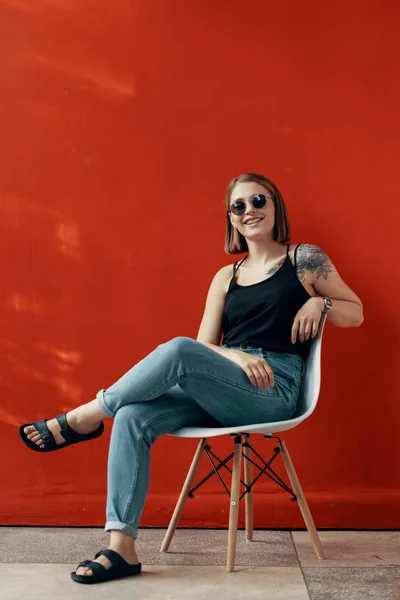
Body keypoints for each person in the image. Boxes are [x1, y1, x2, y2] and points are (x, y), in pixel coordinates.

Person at [19, 172, 364, 584]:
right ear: (231, 219)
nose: (250, 211)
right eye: (239, 206)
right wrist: (234, 354)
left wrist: (321, 302)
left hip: (275, 387)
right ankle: (121, 548)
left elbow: (356, 313)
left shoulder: (304, 260)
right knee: (131, 416)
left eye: (259, 201)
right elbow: (206, 345)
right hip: (225, 380)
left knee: (179, 350)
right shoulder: (226, 276)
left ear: (275, 206)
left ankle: (85, 416)